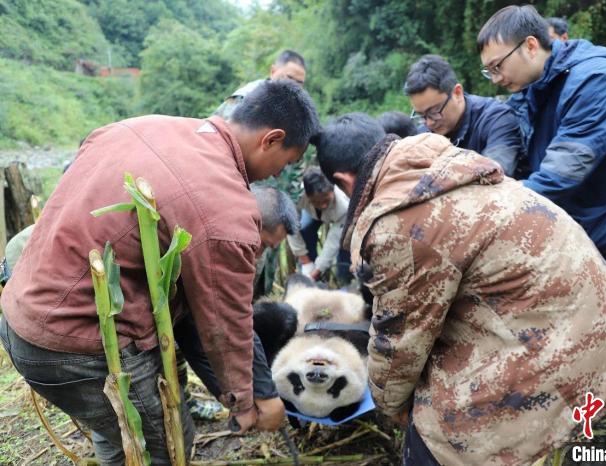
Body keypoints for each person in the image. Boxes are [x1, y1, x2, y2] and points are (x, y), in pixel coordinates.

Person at [313, 112, 606, 465]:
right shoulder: (454, 167)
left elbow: (400, 346)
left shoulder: (400, 224)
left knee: (434, 441)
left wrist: (390, 406)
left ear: (344, 180)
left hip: (564, 356)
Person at [0, 79, 318, 465]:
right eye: (283, 163)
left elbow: (193, 317)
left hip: (18, 317)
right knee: (166, 442)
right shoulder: (226, 209)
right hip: (74, 345)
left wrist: (237, 396)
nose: (272, 177)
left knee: (121, 435)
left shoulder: (141, 126)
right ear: (271, 139)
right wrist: (256, 400)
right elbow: (225, 322)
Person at [477, 5, 606, 304]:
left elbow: (561, 174)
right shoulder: (536, 89)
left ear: (530, 45)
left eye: (498, 66)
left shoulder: (595, 81)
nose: (495, 79)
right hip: (599, 218)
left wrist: (498, 207)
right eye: (489, 71)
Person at [177, 184, 298, 428]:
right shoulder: (213, 243)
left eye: (267, 249)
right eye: (263, 245)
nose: (258, 254)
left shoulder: (251, 248)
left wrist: (230, 393)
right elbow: (226, 324)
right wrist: (262, 395)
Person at [404, 54, 523, 176]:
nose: (429, 123)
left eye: (434, 112)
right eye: (421, 115)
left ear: (457, 93)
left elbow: (494, 173)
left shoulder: (497, 119)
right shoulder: (424, 135)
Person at [287, 167, 351, 283]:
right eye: (316, 202)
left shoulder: (344, 205)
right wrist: (305, 261)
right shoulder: (296, 195)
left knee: (345, 244)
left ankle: (342, 280)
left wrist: (318, 269)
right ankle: (308, 272)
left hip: (339, 218)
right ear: (307, 196)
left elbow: (333, 241)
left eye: (326, 200)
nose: (323, 206)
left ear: (332, 190)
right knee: (304, 229)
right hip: (311, 213)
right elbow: (291, 227)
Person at [213, 49, 307, 121]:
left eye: (299, 83)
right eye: (289, 78)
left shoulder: (294, 107)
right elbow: (223, 133)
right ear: (273, 71)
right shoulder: (247, 96)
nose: (293, 86)